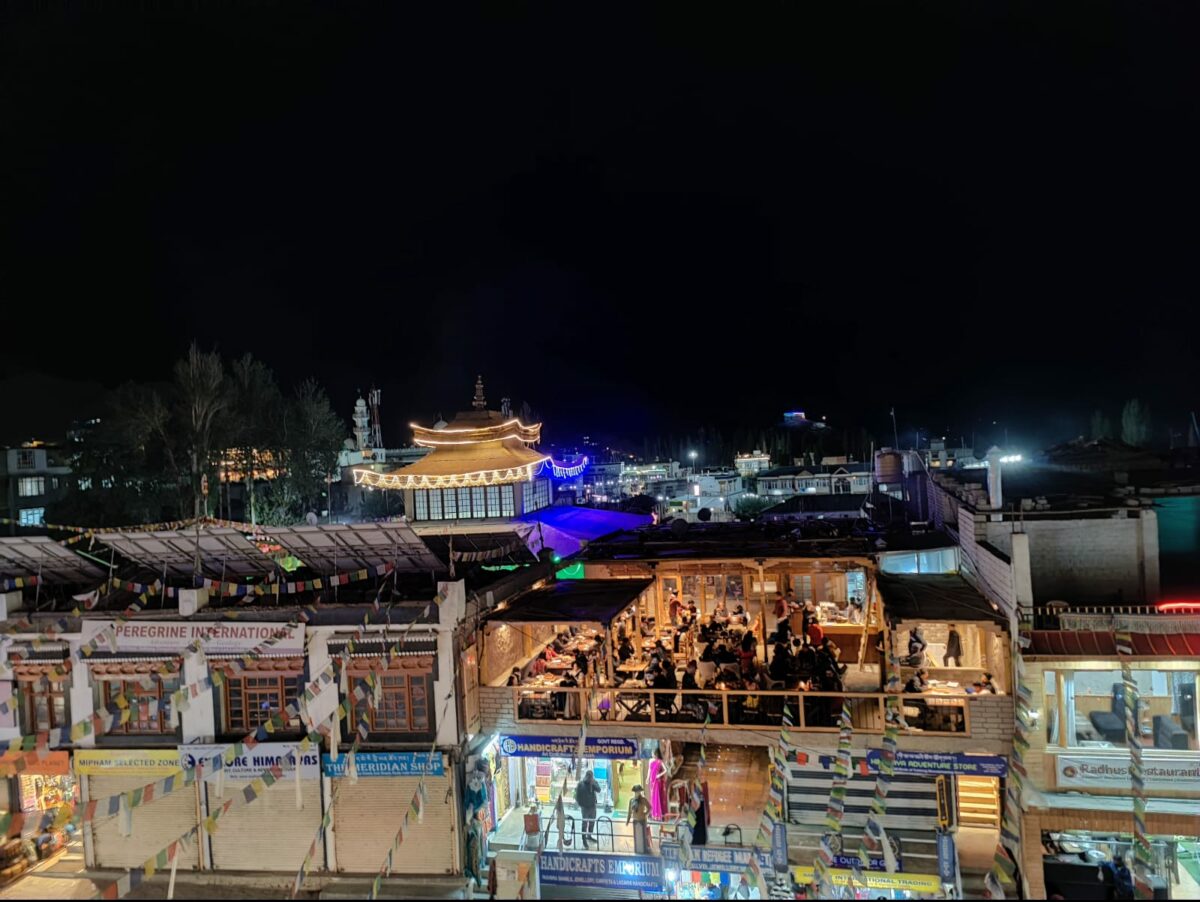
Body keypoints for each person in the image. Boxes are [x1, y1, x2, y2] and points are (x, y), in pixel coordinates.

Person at [574, 770, 600, 848]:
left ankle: (589, 835)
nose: (589, 778)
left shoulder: (594, 783)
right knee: (584, 823)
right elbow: (577, 795)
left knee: (592, 822)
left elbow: (599, 790)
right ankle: (584, 839)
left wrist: (593, 783)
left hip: (592, 806)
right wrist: (580, 804)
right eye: (588, 776)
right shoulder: (581, 784)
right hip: (585, 807)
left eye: (590, 776)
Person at [627, 784, 651, 853]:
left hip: (642, 820)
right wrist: (628, 820)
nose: (638, 793)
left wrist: (645, 813)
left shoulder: (643, 800)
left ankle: (644, 849)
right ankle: (637, 849)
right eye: (637, 791)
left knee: (643, 836)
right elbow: (629, 811)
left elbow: (649, 807)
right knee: (637, 836)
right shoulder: (631, 800)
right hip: (635, 820)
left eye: (639, 791)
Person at [648, 748, 668, 820]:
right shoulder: (650, 760)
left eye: (653, 753)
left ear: (656, 754)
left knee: (656, 797)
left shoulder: (660, 761)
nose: (652, 754)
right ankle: (653, 813)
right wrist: (647, 779)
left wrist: (659, 775)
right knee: (652, 797)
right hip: (652, 781)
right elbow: (649, 770)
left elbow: (665, 770)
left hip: (657, 781)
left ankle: (657, 815)